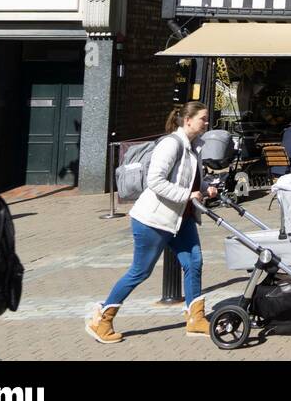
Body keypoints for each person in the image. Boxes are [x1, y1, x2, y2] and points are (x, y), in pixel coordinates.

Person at [86, 102, 219, 344]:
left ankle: (195, 318)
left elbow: (186, 180)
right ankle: (102, 319)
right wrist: (186, 196)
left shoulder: (194, 146)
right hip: (154, 219)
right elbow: (155, 181)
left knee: (194, 262)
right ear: (188, 120)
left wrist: (203, 188)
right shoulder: (171, 144)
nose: (207, 123)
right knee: (140, 271)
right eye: (203, 118)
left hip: (181, 218)